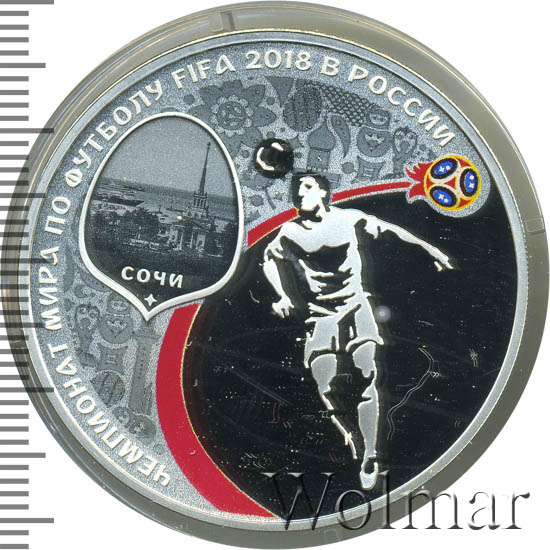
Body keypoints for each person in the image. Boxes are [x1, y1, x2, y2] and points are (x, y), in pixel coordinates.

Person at [262, 172, 452, 489]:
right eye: (296, 189)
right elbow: (269, 259)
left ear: (324, 192)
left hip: (356, 307)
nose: (299, 193)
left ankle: (371, 455)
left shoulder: (349, 219)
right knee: (327, 387)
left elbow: (392, 231)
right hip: (321, 316)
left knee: (368, 375)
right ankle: (351, 434)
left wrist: (431, 250)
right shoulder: (290, 231)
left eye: (306, 187)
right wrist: (281, 294)